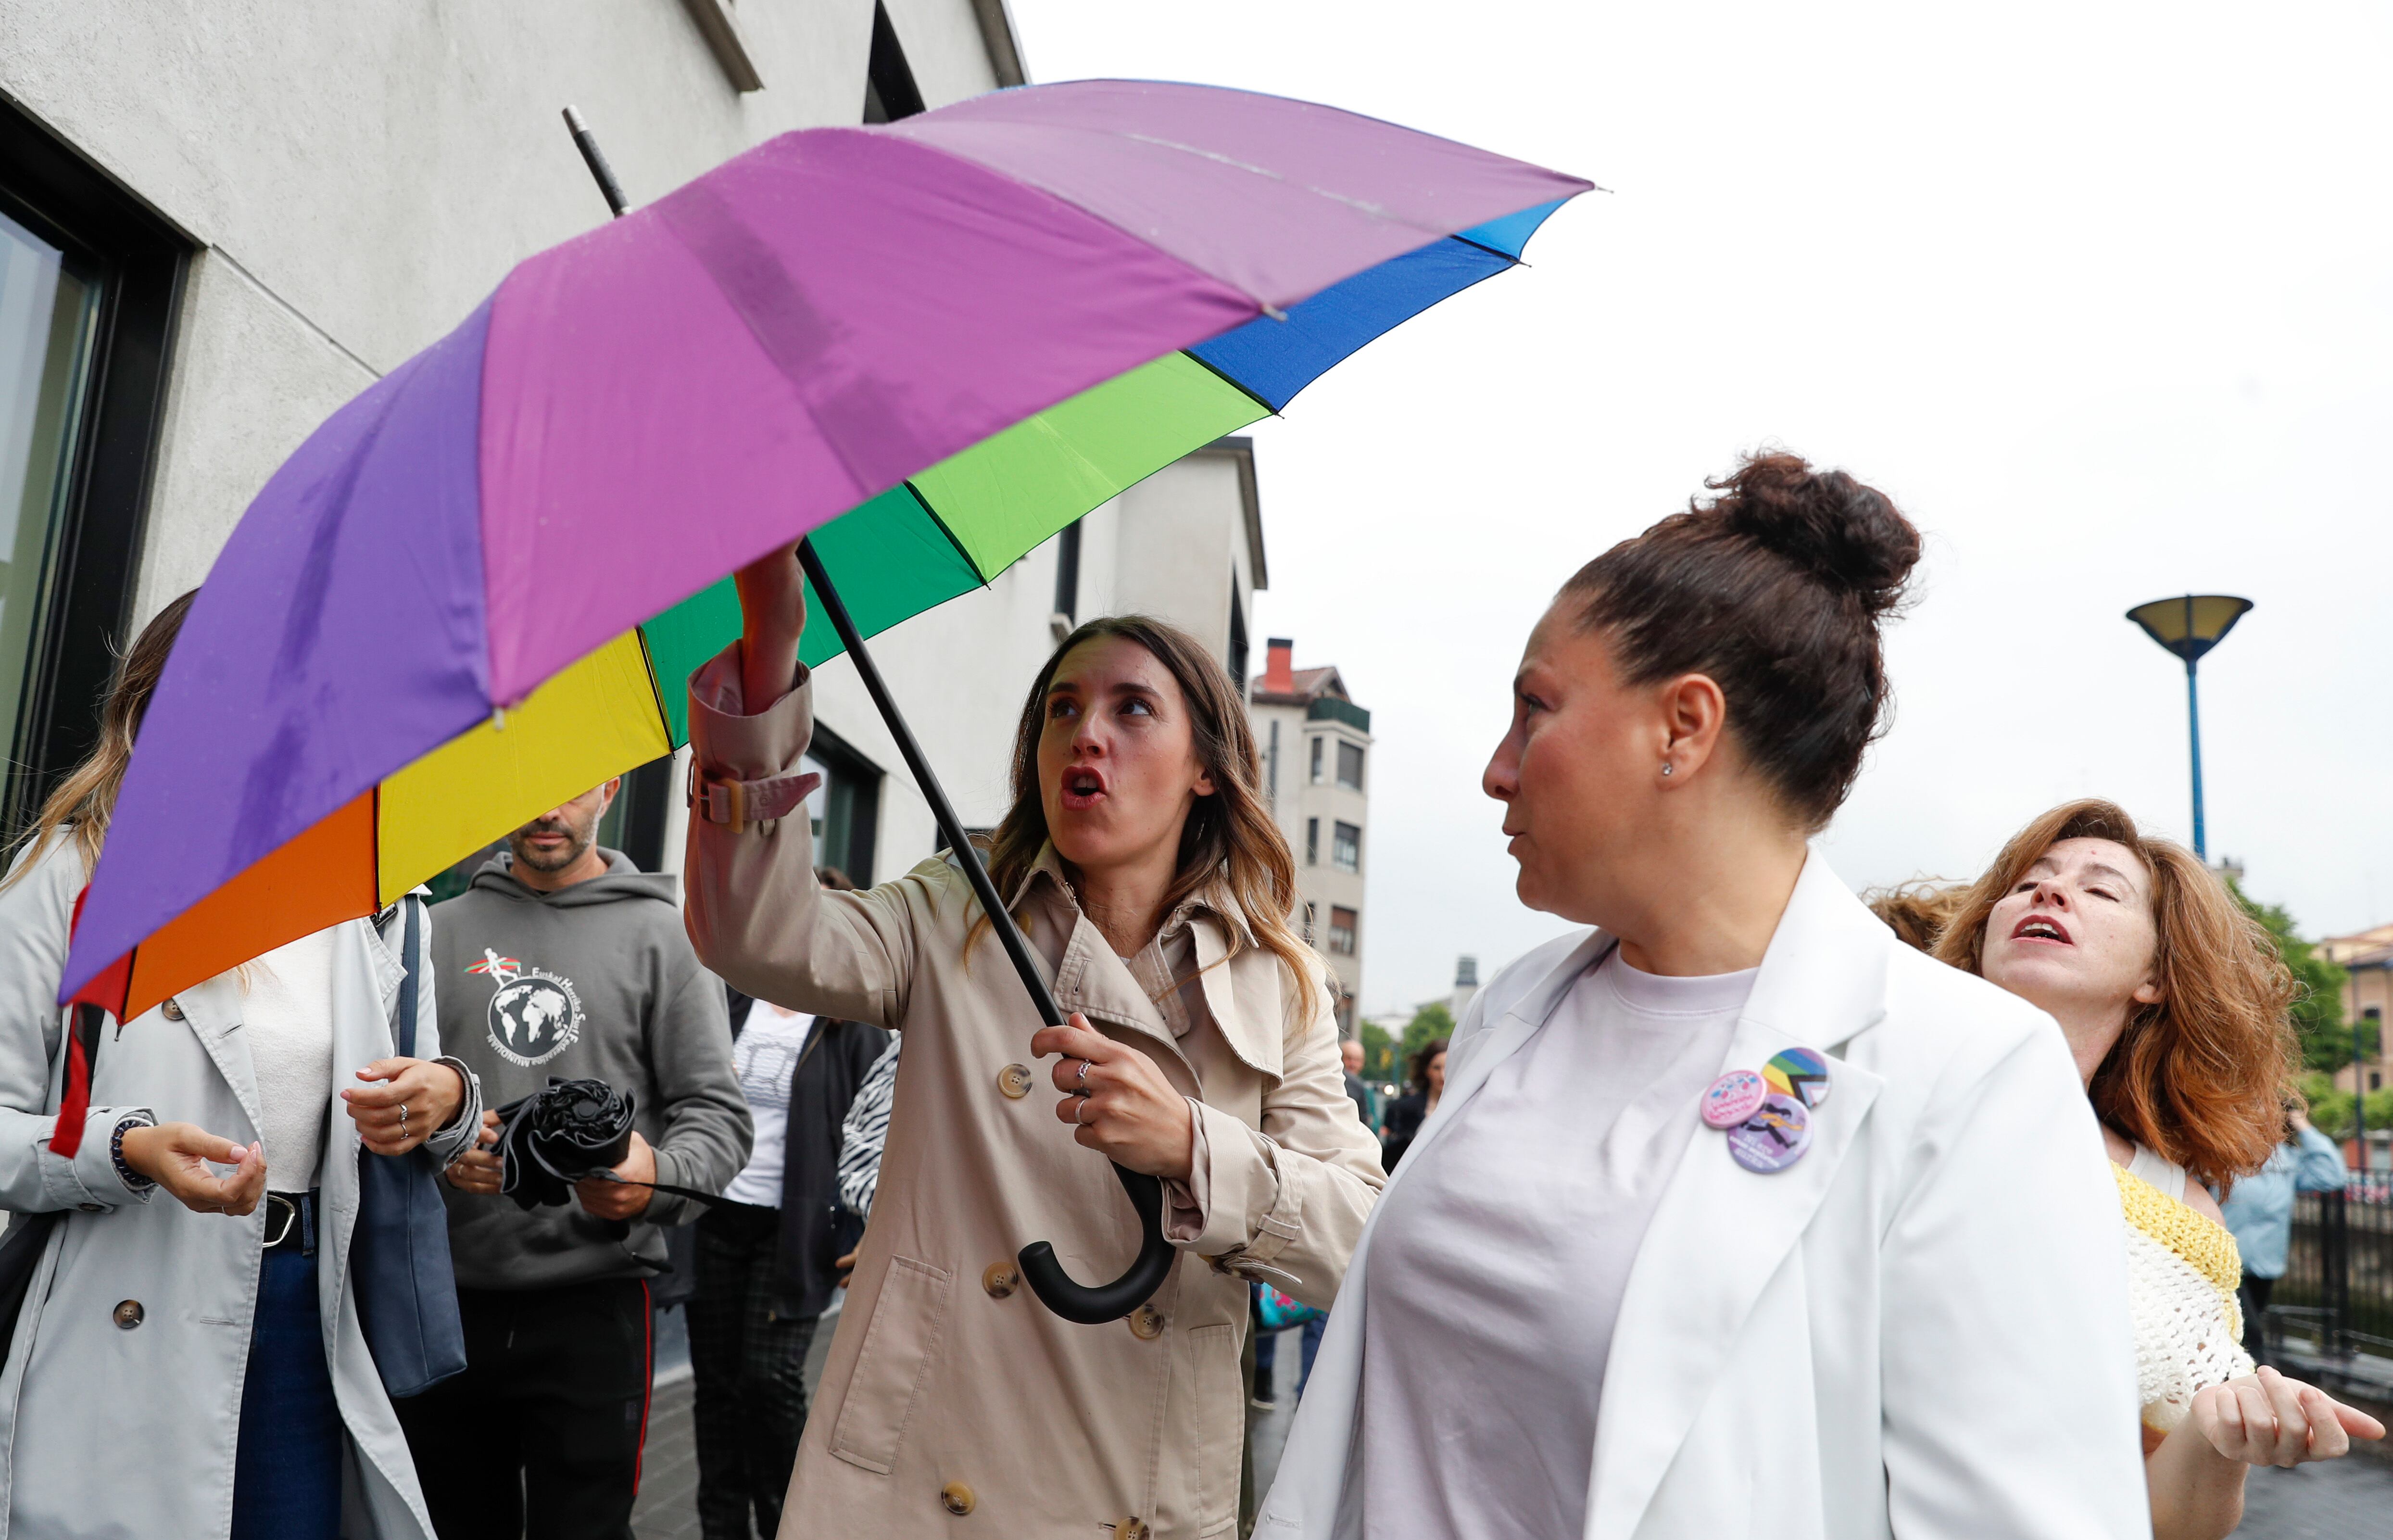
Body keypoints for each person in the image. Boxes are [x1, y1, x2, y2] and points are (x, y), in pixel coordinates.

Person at [1261, 454, 2152, 1540]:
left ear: (1681, 727)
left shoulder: (1967, 1075)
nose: (1496, 769)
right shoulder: (1511, 1013)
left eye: (1532, 708)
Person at [682, 563, 1385, 1537]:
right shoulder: (951, 914)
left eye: (1132, 707)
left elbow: (1358, 1239)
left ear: (1206, 767)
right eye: (1062, 707)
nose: (1085, 731)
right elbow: (756, 937)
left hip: (1137, 1481)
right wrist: (768, 656)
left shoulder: (1281, 979)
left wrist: (1192, 1144)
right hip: (928, 1468)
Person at [0, 591, 482, 1540]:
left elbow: (420, 1096)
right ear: (150, 711)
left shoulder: (365, 900)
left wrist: (448, 1097)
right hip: (121, 1316)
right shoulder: (68, 877)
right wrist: (125, 1148)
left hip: (311, 1315)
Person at [1932, 799, 2383, 1539]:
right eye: (2027, 882)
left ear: (2154, 976)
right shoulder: (1879, 1098)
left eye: (2102, 890)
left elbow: (2172, 1520)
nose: (2049, 893)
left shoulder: (2176, 1209)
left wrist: (2217, 1434)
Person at [396, 783, 752, 1540]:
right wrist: (439, 1150)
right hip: (444, 1304)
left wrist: (651, 1177)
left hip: (595, 1304)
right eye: (526, 784)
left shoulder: (669, 936)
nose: (546, 809)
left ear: (614, 788)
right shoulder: (432, 932)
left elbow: (719, 1119)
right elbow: (377, 1101)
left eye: (571, 787)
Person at [692, 866, 892, 1540]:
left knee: (769, 1381)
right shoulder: (735, 998)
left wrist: (868, 1221)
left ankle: (790, 1523)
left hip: (799, 1229)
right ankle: (721, 1526)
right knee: (716, 1387)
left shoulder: (857, 1021)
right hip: (716, 1215)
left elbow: (883, 1130)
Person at [2219, 1103, 2346, 1365]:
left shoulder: (2288, 1163)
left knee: (2240, 1337)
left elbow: (2333, 1175)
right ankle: (2261, 1389)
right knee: (2250, 1336)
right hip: (2225, 1268)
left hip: (2265, 1267)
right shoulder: (2220, 1158)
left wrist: (2302, 1125)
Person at [1376, 1038, 1443, 1171]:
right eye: (1437, 1068)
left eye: (1448, 1067)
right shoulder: (1404, 1109)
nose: (1443, 1075)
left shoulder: (1468, 1109)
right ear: (1427, 1070)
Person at [1340, 1038, 1376, 1130]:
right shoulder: (1332, 1084)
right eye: (1349, 1058)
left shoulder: (1367, 1089)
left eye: (1357, 1060)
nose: (1353, 1064)